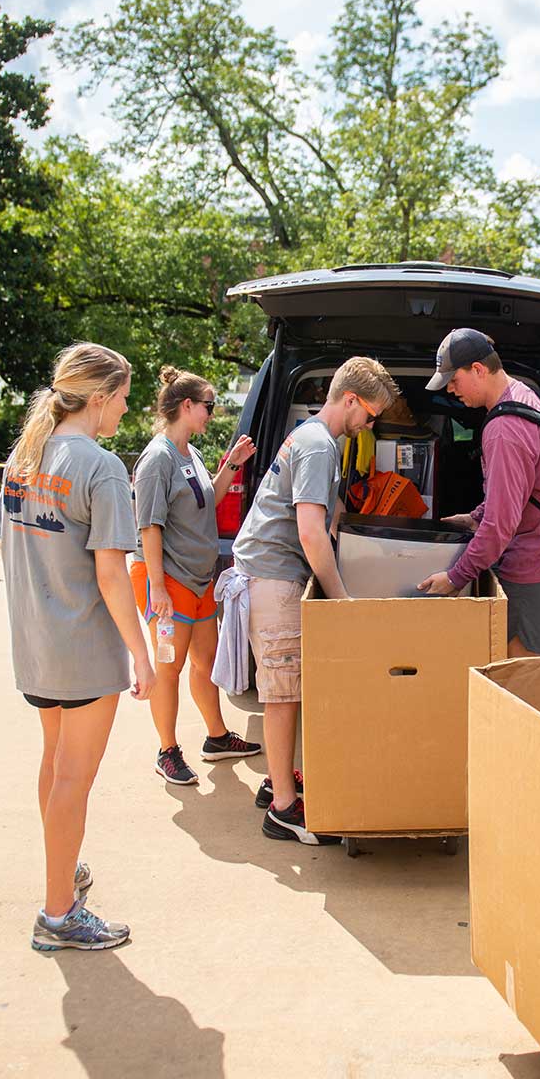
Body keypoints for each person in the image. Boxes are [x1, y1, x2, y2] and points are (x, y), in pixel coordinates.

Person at [0, 342, 156, 952]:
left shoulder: (23, 454)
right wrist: (141, 654)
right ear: (101, 397)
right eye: (123, 400)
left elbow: (9, 544)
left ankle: (64, 872)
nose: (124, 412)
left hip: (34, 643)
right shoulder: (101, 466)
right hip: (82, 646)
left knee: (56, 765)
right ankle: (58, 913)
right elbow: (112, 574)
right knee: (74, 779)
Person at [230, 357, 400, 845]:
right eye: (369, 415)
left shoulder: (311, 437)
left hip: (272, 572)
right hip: (276, 577)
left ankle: (277, 779)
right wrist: (341, 596)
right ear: (350, 400)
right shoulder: (319, 447)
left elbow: (327, 512)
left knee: (289, 689)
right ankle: (283, 809)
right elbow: (309, 530)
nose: (370, 424)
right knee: (281, 696)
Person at [418, 327, 540, 656]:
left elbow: (499, 526)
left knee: (520, 676)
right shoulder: (523, 395)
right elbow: (522, 488)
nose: (451, 390)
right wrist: (474, 517)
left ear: (478, 370)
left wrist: (455, 577)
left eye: (453, 380)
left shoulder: (504, 429)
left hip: (536, 564)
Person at [130, 366, 261, 786]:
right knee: (169, 667)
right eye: (208, 406)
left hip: (199, 580)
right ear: (186, 406)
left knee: (204, 662)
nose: (212, 413)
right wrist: (157, 588)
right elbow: (149, 526)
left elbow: (207, 501)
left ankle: (217, 737)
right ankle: (167, 751)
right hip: (169, 583)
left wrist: (231, 465)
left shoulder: (190, 453)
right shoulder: (157, 458)